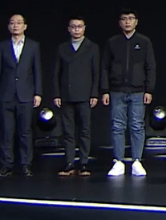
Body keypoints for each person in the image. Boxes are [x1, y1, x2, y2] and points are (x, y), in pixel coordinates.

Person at [101, 10, 155, 177]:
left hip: (138, 91)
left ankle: (137, 160)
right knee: (117, 126)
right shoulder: (112, 42)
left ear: (136, 22)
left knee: (137, 126)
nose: (127, 22)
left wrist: (149, 89)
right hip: (117, 90)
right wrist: (105, 90)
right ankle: (118, 161)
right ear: (120, 22)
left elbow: (150, 66)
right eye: (124, 19)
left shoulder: (144, 41)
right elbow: (105, 67)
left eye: (131, 19)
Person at [0, 14, 42, 177]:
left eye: (19, 23)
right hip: (6, 94)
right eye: (12, 23)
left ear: (25, 26)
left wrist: (38, 92)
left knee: (25, 131)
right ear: (8, 26)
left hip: (25, 94)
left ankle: (26, 164)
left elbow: (37, 71)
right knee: (7, 132)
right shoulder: (2, 46)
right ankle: (7, 164)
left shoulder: (33, 46)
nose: (15, 25)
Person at [52, 15, 100, 177]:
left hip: (85, 95)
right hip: (66, 95)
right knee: (68, 131)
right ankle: (69, 162)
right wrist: (57, 94)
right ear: (69, 29)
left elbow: (96, 73)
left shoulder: (92, 47)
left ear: (84, 28)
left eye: (79, 26)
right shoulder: (62, 48)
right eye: (73, 27)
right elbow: (56, 73)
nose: (76, 30)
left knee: (85, 130)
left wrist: (94, 93)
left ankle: (84, 162)